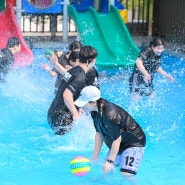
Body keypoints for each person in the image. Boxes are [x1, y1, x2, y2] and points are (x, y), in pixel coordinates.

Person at [74, 86, 146, 176]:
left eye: (85, 103)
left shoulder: (110, 115)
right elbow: (98, 133)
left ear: (93, 102)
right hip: (119, 143)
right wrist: (95, 156)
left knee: (126, 175)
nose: (83, 106)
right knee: (106, 171)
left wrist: (109, 161)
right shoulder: (94, 110)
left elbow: (117, 140)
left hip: (133, 143)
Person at [47, 46, 98, 135]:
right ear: (92, 61)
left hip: (52, 114)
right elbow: (67, 95)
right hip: (62, 119)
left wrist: (56, 64)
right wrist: (75, 113)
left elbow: (66, 79)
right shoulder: (81, 76)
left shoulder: (73, 70)